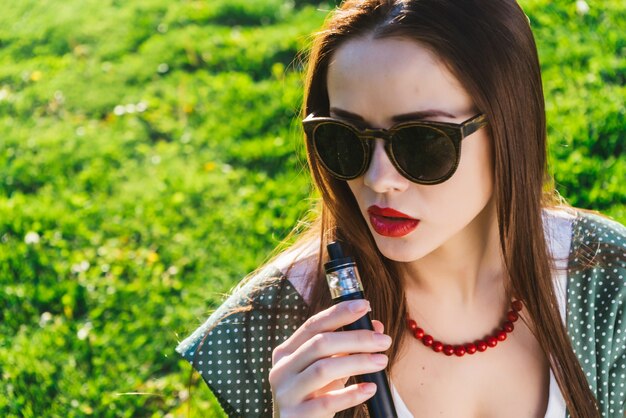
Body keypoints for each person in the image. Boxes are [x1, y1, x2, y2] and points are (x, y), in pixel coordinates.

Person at [176, 0, 626, 417]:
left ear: (511, 125)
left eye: (421, 141)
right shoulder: (272, 322)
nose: (377, 179)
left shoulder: (609, 278)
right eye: (343, 139)